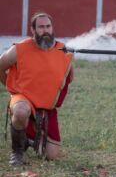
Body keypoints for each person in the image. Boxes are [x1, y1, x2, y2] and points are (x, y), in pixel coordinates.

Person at [0, 12, 73, 165]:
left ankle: (29, 138)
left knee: (53, 156)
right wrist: (12, 88)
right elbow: (1, 65)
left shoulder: (63, 51)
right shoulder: (20, 49)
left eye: (48, 26)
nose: (45, 30)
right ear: (33, 30)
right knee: (20, 111)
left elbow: (68, 77)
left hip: (45, 107)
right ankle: (17, 152)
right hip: (23, 99)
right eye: (41, 27)